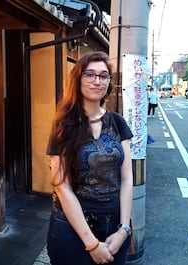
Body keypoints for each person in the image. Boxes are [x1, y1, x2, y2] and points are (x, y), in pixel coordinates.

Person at [46, 51, 133, 265]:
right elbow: (61, 185)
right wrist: (92, 244)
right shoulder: (63, 124)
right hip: (72, 224)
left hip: (114, 223)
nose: (97, 81)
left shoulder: (118, 122)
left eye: (103, 75)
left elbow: (127, 178)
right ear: (78, 79)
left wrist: (124, 229)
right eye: (90, 74)